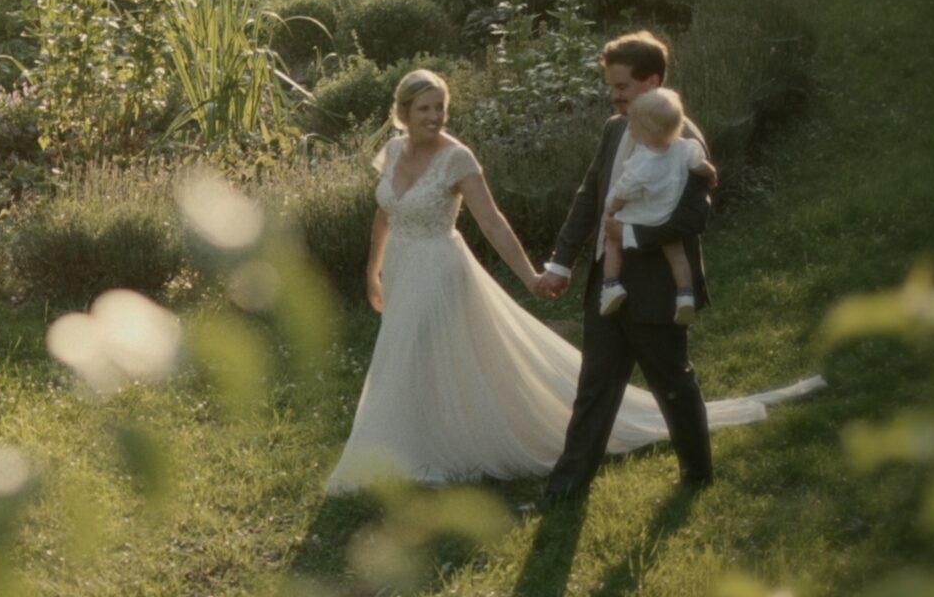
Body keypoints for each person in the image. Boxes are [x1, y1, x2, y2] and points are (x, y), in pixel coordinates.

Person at [324, 62, 823, 497]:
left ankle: (437, 446)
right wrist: (373, 269)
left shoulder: (458, 158)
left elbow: (493, 223)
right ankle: (406, 441)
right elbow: (383, 214)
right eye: (425, 110)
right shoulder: (392, 152)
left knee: (423, 350)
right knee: (401, 354)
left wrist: (533, 278)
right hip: (403, 268)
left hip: (440, 268)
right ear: (403, 113)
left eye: (441, 108)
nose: (434, 118)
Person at [524, 31, 822, 511]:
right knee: (595, 387)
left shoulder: (683, 140)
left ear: (653, 81)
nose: (614, 96)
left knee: (672, 384)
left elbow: (694, 217)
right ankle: (562, 494)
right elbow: (590, 195)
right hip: (607, 282)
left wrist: (633, 238)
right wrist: (561, 261)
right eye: (611, 86)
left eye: (622, 86)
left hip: (656, 288)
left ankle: (698, 477)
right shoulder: (614, 129)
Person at [599, 87, 707, 325]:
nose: (632, 128)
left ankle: (611, 286)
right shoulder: (683, 147)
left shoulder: (643, 161)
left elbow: (626, 189)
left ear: (646, 130)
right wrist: (711, 174)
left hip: (642, 216)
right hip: (667, 214)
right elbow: (700, 164)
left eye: (635, 125)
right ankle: (685, 295)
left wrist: (612, 207)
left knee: (613, 240)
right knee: (677, 254)